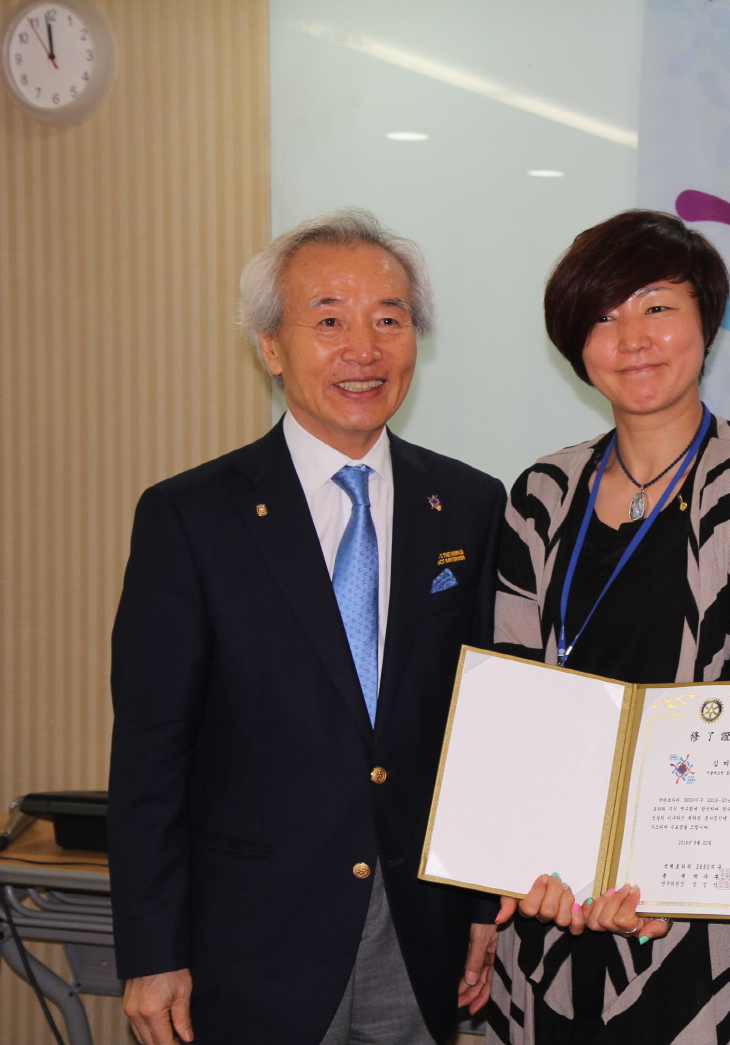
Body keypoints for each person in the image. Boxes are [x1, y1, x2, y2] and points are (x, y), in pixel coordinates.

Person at [108, 208, 507, 1045]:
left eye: (388, 320)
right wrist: (152, 949)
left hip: (418, 933)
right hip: (249, 944)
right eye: (329, 321)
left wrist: (479, 905)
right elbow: (150, 755)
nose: (364, 349)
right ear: (271, 346)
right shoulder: (191, 517)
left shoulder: (469, 504)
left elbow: (478, 728)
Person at [484, 209, 730, 1044]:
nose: (631, 338)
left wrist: (657, 877)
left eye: (657, 307)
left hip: (706, 900)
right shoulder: (539, 495)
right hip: (552, 903)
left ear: (705, 322)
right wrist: (537, 861)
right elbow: (513, 700)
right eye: (603, 316)